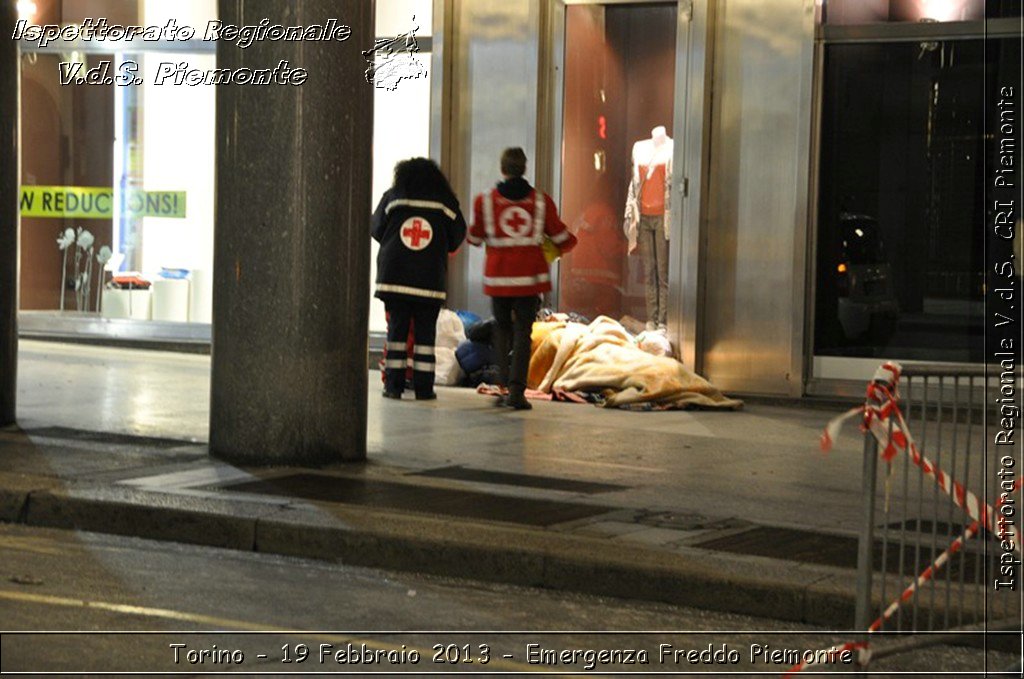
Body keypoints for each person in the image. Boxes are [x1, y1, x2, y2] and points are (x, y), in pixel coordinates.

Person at [467, 147, 577, 410]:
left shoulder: (485, 201)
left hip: (498, 279)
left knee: (501, 330)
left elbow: (473, 237)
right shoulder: (541, 201)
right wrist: (564, 244)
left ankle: (503, 386)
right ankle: (517, 392)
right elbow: (562, 238)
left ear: (503, 169)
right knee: (522, 333)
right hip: (530, 280)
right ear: (524, 168)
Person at [372, 157, 466, 400]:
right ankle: (424, 389)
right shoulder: (445, 201)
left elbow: (376, 229)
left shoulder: (392, 196)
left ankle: (393, 387)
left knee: (396, 334)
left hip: (394, 276)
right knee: (425, 337)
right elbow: (458, 235)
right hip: (429, 279)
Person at [624, 125, 673, 331]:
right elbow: (634, 185)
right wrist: (628, 212)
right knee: (649, 270)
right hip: (643, 217)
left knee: (663, 271)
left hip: (663, 216)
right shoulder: (640, 148)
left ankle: (663, 319)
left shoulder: (672, 148)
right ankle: (651, 318)